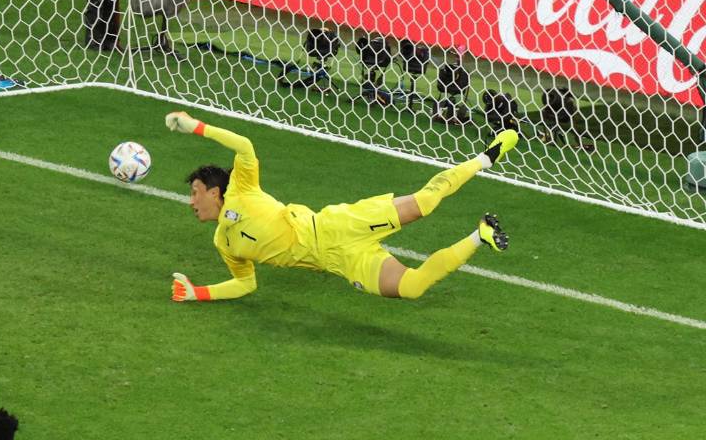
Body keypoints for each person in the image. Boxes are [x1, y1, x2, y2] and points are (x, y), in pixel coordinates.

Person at [164, 111, 518, 302]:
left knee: (423, 203)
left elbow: (244, 145)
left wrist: (197, 127)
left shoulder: (242, 187)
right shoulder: (223, 243)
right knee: (412, 287)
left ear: (214, 191)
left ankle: (486, 157)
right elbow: (245, 285)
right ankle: (480, 234)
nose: (191, 200)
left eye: (196, 191)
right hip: (338, 262)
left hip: (335, 226)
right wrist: (198, 293)